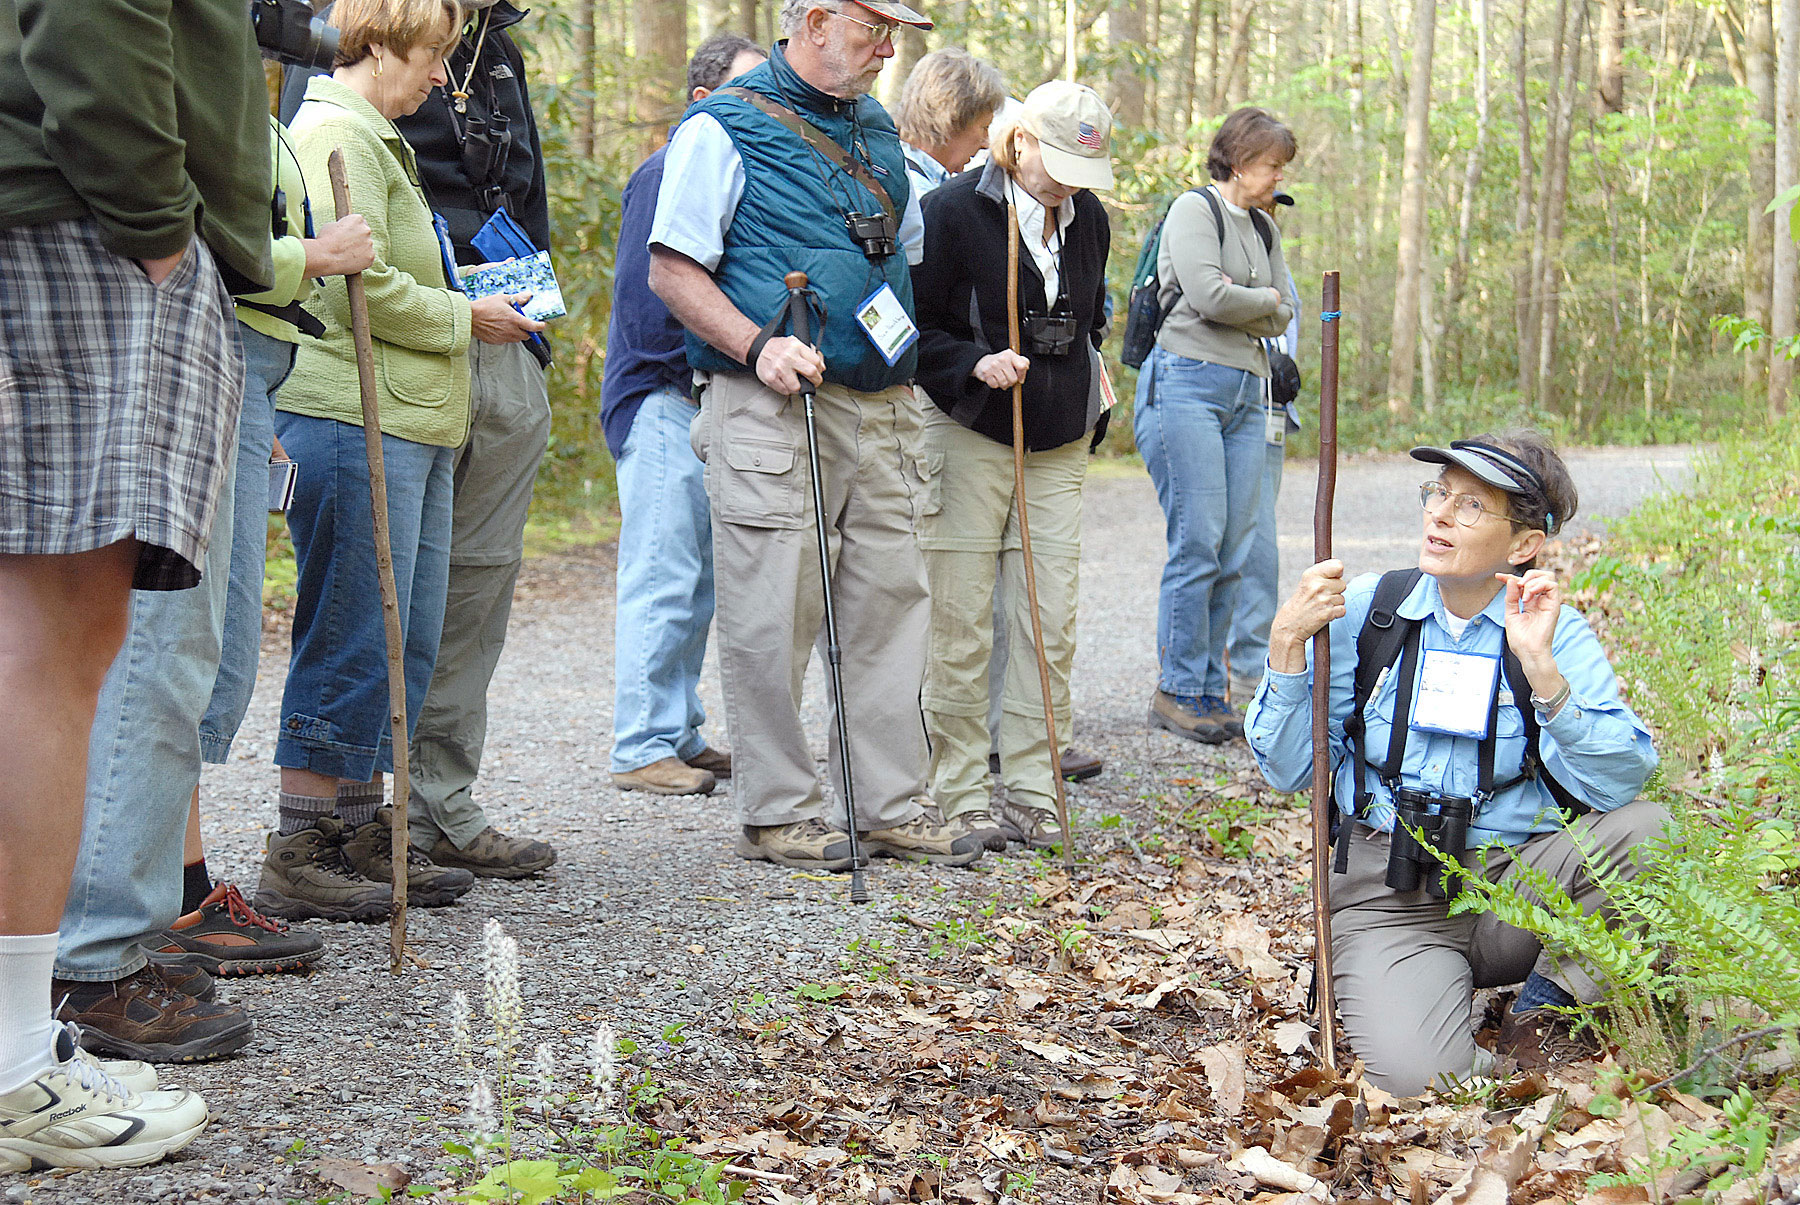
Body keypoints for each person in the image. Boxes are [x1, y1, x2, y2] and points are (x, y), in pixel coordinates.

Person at [0, 0, 271, 1167]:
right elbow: (92, 26)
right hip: (84, 231)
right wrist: (163, 228)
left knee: (37, 639)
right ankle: (13, 1060)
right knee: (52, 646)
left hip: (58, 216)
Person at [52, 114, 376, 1062]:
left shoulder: (254, 82)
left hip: (241, 361)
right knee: (156, 649)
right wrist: (305, 256)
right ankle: (92, 957)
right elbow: (164, 201)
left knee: (201, 663)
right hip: (173, 332)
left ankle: (156, 912)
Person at [648, 0, 986, 871]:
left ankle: (887, 804)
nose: (888, 47)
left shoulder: (876, 129)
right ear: (819, 19)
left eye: (897, 35)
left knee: (890, 603)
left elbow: (901, 256)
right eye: (876, 28)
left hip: (880, 402)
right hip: (771, 399)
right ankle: (780, 811)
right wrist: (756, 345)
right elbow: (672, 267)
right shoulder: (721, 128)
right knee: (775, 607)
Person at [1246, 431, 1664, 1096]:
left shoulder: (1552, 628)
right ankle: (1461, 1043)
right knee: (1418, 1079)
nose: (1438, 513)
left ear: (1525, 544)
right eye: (1437, 494)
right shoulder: (1366, 611)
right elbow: (1288, 767)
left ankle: (1544, 1016)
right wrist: (1287, 642)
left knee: (1652, 835)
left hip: (1513, 885)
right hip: (1391, 897)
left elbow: (1621, 781)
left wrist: (1543, 672)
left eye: (1470, 506)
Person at [256, 0, 546, 923]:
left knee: (404, 638)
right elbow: (358, 289)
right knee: (351, 628)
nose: (438, 80)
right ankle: (301, 843)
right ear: (377, 44)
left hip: (416, 421)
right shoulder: (329, 130)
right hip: (351, 416)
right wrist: (470, 318)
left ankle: (359, 830)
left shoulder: (382, 138)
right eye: (429, 58)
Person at [910, 82, 1114, 850]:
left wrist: (1096, 376)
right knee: (961, 622)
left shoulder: (1087, 216)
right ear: (1018, 141)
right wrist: (972, 362)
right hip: (970, 429)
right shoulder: (951, 211)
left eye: (1080, 171)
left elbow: (1092, 316)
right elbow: (914, 328)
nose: (1066, 184)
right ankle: (958, 791)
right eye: (1055, 162)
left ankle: (1033, 787)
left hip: (1058, 439)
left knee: (1046, 621)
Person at [604, 33, 765, 798]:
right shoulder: (665, 170)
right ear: (702, 102)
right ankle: (640, 743)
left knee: (697, 583)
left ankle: (680, 728)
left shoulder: (733, 173)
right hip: (660, 396)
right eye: (745, 94)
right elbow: (653, 303)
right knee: (662, 576)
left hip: (701, 399)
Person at [1137, 107, 1295, 745]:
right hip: (1187, 385)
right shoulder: (1193, 211)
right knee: (1198, 539)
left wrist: (1253, 303)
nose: (1279, 175)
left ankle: (1211, 688)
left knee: (1235, 545)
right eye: (1271, 164)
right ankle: (1177, 688)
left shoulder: (1264, 226)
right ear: (1237, 159)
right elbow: (1206, 295)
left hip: (1246, 393)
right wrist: (1258, 304)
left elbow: (1283, 311)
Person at [1224, 191, 1302, 707]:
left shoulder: (1275, 256)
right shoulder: (1216, 242)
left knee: (1261, 544)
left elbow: (1285, 319)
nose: (1269, 212)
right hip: (1225, 408)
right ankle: (1207, 672)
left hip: (1270, 411)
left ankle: (1251, 669)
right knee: (1219, 542)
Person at [897, 48, 1005, 198]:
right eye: (984, 127)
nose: (985, 144)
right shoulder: (918, 196)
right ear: (951, 121)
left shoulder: (893, 169)